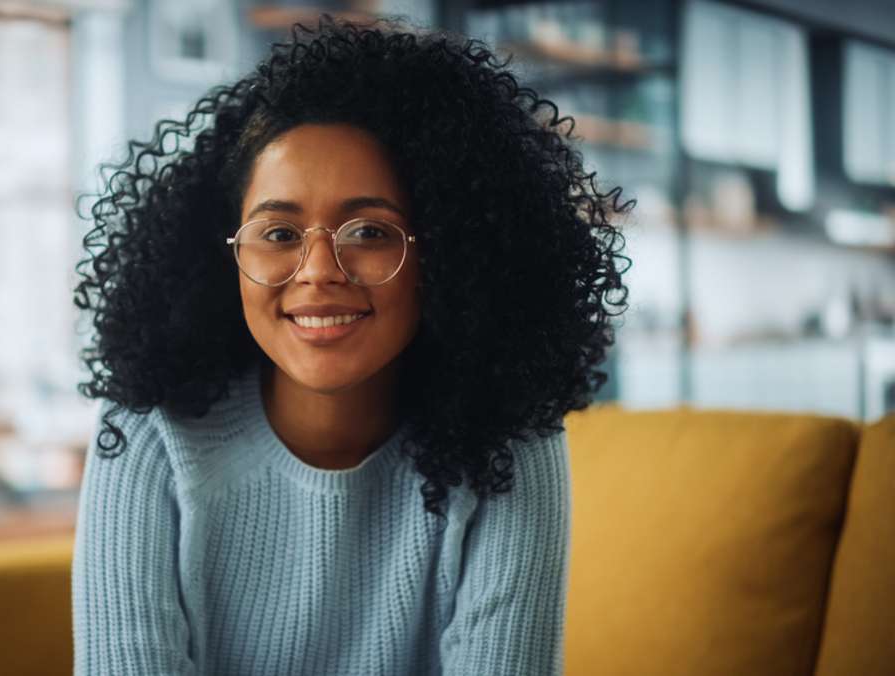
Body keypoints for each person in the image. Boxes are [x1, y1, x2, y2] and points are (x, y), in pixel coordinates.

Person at [71, 13, 630, 676]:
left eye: (369, 232)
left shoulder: (508, 442)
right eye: (278, 235)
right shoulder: (148, 432)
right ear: (224, 256)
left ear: (449, 256)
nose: (317, 271)